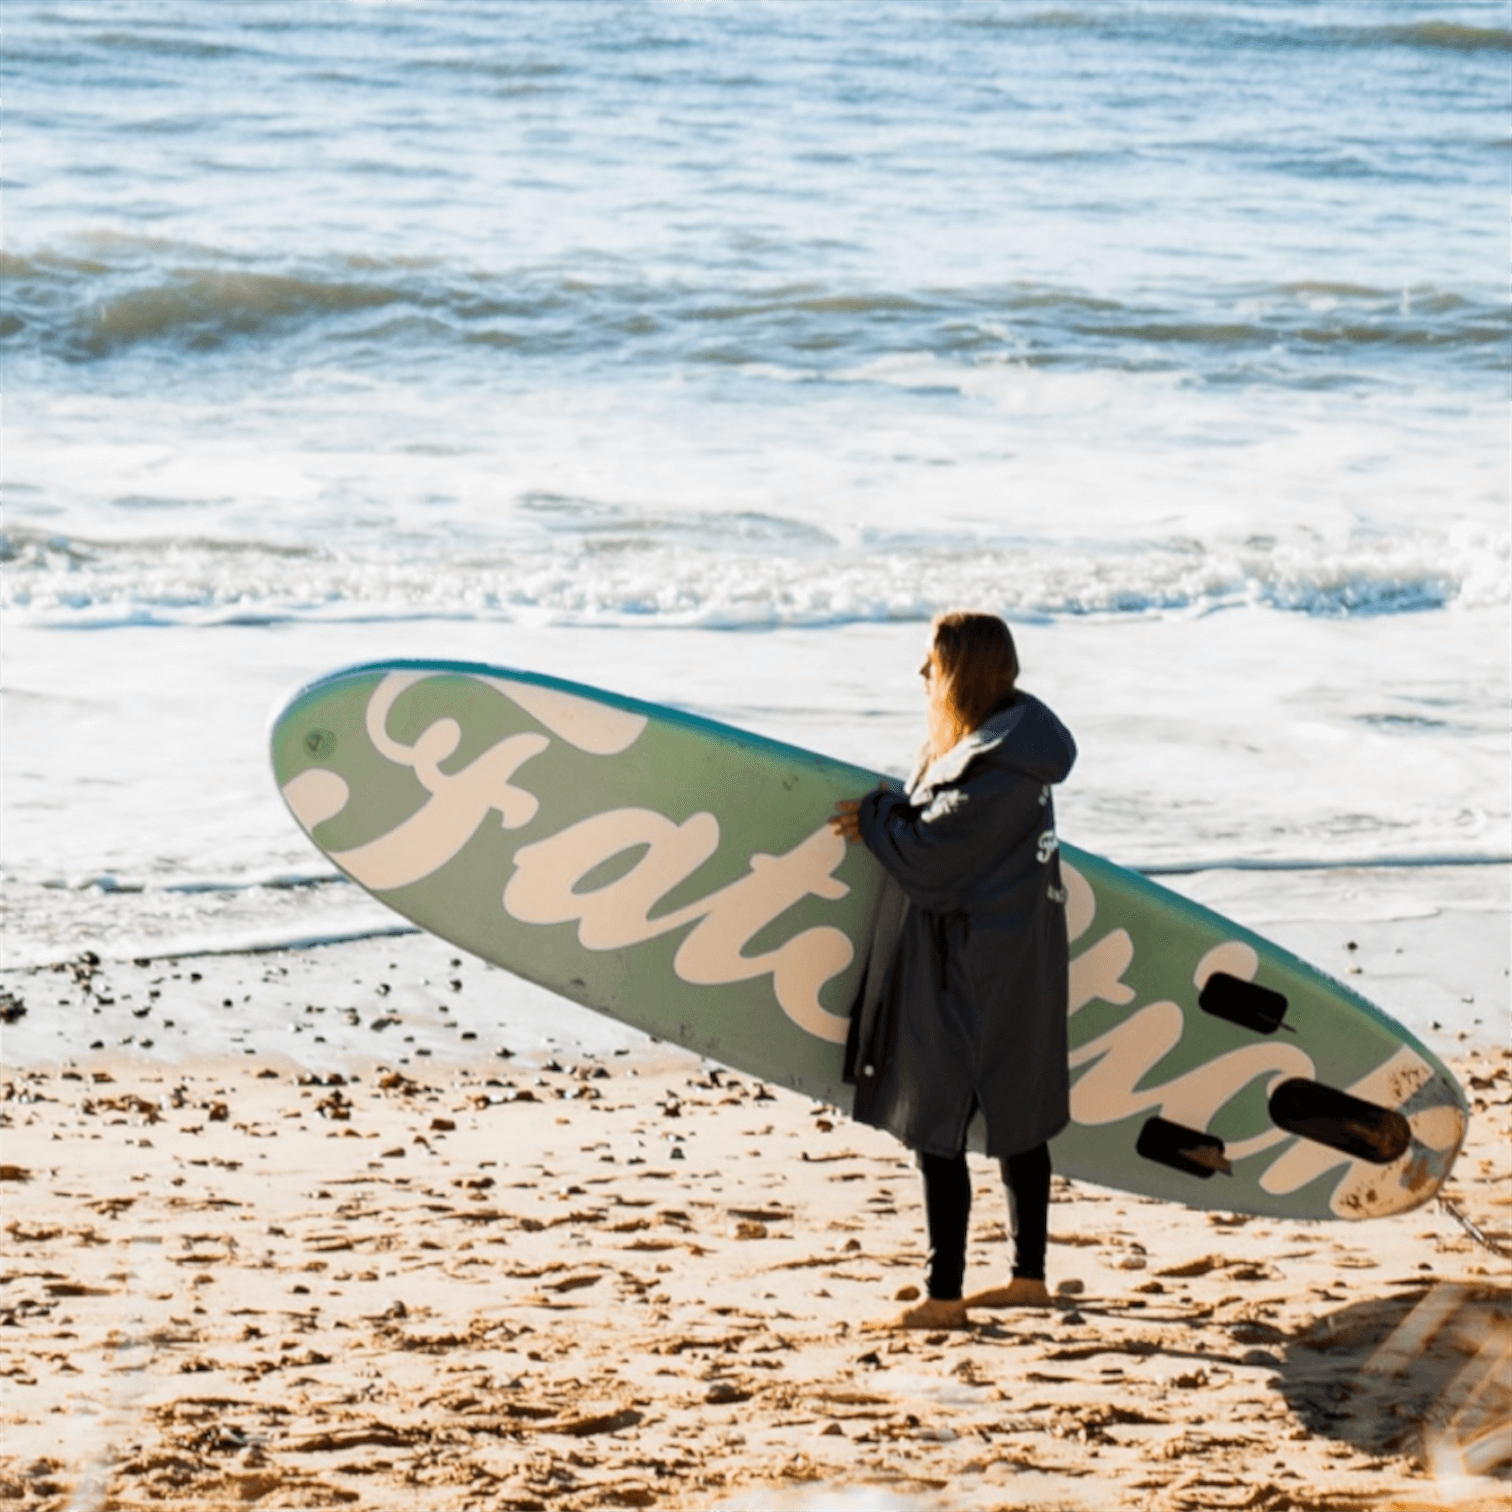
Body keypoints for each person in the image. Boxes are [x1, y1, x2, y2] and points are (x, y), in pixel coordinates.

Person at [829, 610, 1077, 1329]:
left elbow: (933, 860)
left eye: (931, 663)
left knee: (938, 1124)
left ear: (961, 671)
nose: (921, 675)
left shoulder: (996, 767)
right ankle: (1028, 1277)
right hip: (1014, 956)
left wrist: (877, 817)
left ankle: (946, 1297)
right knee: (1019, 1115)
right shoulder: (1010, 747)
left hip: (971, 966)